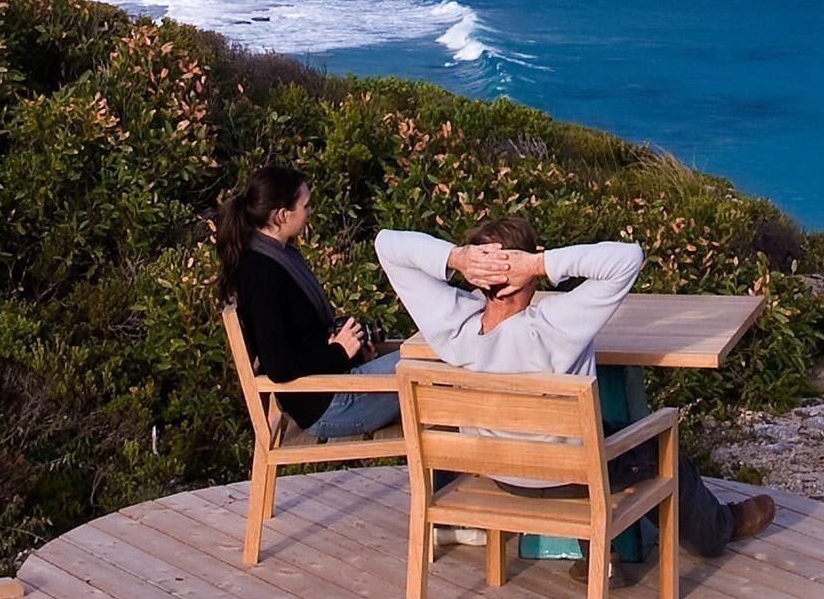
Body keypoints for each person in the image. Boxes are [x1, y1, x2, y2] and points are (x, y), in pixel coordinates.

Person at [374, 213, 774, 553]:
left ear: (477, 278)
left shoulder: (450, 326)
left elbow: (387, 244)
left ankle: (598, 560)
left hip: (497, 472)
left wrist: (456, 258)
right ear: (524, 270)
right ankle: (717, 530)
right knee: (656, 446)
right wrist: (536, 265)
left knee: (584, 435)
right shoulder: (557, 325)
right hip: (572, 477)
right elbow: (626, 258)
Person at [216, 169, 400, 440]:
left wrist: (353, 351)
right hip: (330, 406)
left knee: (434, 358)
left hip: (333, 386)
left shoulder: (276, 256)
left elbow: (301, 339)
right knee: (439, 367)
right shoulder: (261, 272)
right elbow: (279, 366)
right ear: (282, 215)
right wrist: (339, 352)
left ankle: (451, 470)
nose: (309, 211)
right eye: (305, 205)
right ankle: (456, 471)